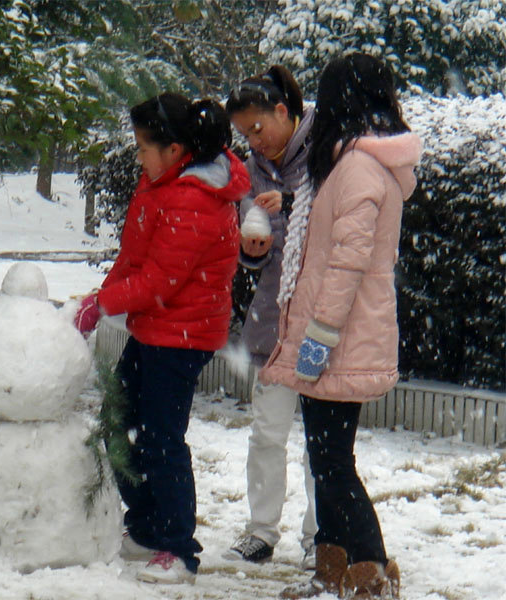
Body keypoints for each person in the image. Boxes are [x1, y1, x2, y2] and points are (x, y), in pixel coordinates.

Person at [259, 53, 421, 599]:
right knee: (326, 458)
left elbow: (346, 264)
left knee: (332, 461)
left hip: (340, 340)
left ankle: (371, 574)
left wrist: (318, 340)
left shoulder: (357, 167)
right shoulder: (348, 161)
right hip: (334, 338)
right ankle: (332, 571)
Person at [74, 92, 250, 584]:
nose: (138, 156)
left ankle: (178, 548)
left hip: (181, 336)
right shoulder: (161, 185)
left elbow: (159, 281)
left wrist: (105, 304)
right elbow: (135, 260)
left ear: (175, 150)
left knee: (161, 441)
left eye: (144, 147)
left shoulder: (194, 199)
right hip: (154, 329)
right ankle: (148, 527)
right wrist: (101, 295)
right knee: (119, 426)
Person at [222, 66, 318, 569]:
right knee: (267, 431)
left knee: (320, 440)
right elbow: (257, 244)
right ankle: (261, 530)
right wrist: (253, 250)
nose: (253, 142)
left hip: (322, 319)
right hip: (271, 321)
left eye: (257, 129)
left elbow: (335, 221)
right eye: (244, 135)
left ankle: (319, 537)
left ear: (283, 111)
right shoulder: (252, 169)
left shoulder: (327, 150)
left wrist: (295, 201)